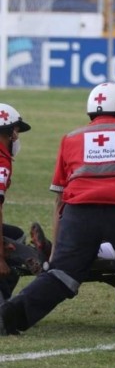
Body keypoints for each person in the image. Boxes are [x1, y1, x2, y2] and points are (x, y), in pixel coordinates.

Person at [0, 82, 115, 336]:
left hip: (78, 213)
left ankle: (10, 316)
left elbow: (59, 199)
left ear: (91, 112)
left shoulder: (71, 138)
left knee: (62, 274)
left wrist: (58, 248)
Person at [0, 103, 31, 303]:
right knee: (9, 265)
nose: (17, 136)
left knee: (15, 236)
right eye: (17, 130)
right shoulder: (2, 163)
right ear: (10, 132)